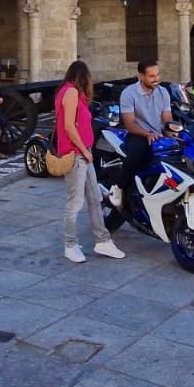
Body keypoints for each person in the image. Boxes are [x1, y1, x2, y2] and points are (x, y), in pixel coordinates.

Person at [55, 60, 124, 263]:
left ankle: (103, 240)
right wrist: (84, 150)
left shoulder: (74, 94)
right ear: (83, 77)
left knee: (95, 197)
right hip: (77, 155)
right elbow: (69, 126)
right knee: (75, 203)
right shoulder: (71, 93)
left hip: (83, 156)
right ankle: (70, 244)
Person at [117, 60, 174, 205]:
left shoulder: (163, 92)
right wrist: (147, 134)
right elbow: (129, 123)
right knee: (137, 154)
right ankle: (120, 188)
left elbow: (167, 118)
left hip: (158, 135)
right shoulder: (128, 93)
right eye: (151, 76)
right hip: (137, 134)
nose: (156, 79)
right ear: (141, 76)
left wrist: (173, 133)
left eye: (158, 74)